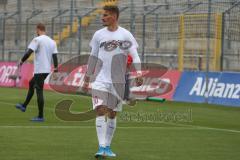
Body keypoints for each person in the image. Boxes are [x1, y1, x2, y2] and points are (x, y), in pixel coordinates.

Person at [82, 5, 143, 158]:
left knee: (113, 114)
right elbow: (93, 56)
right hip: (100, 80)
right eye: (102, 15)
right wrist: (87, 77)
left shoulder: (125, 35)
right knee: (100, 110)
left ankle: (107, 147)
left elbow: (134, 55)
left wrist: (139, 72)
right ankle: (101, 147)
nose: (102, 17)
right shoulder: (98, 35)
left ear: (114, 16)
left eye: (106, 15)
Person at [15, 23, 58, 122]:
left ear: (38, 29)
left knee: (39, 91)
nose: (36, 32)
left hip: (40, 70)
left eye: (36, 30)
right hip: (46, 70)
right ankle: (24, 105)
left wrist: (21, 61)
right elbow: (55, 56)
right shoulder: (52, 41)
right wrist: (56, 70)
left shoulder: (37, 39)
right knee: (31, 83)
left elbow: (29, 52)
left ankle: (40, 116)